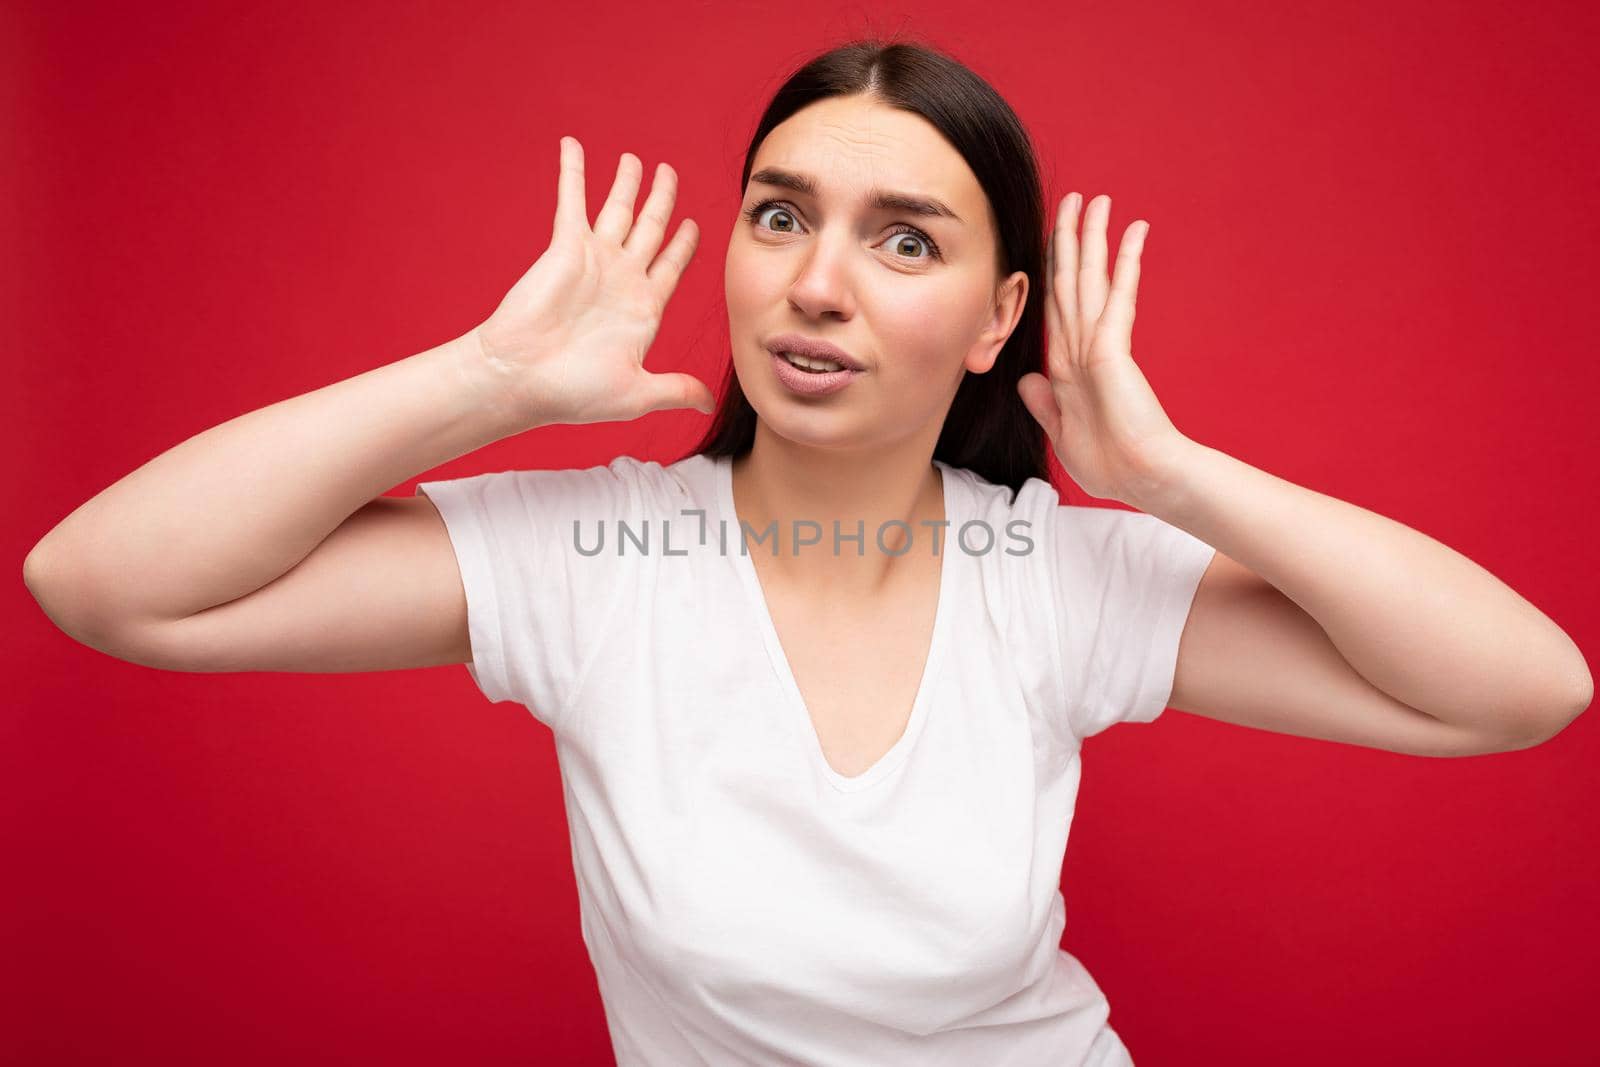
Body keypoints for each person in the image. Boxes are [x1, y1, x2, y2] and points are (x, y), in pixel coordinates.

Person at [23, 37, 1589, 1067]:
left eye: (905, 238)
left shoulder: (1057, 580)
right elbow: (103, 584)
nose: (818, 284)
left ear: (997, 321)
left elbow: (1521, 690)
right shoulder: (601, 555)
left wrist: (1176, 479)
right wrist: (480, 386)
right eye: (783, 216)